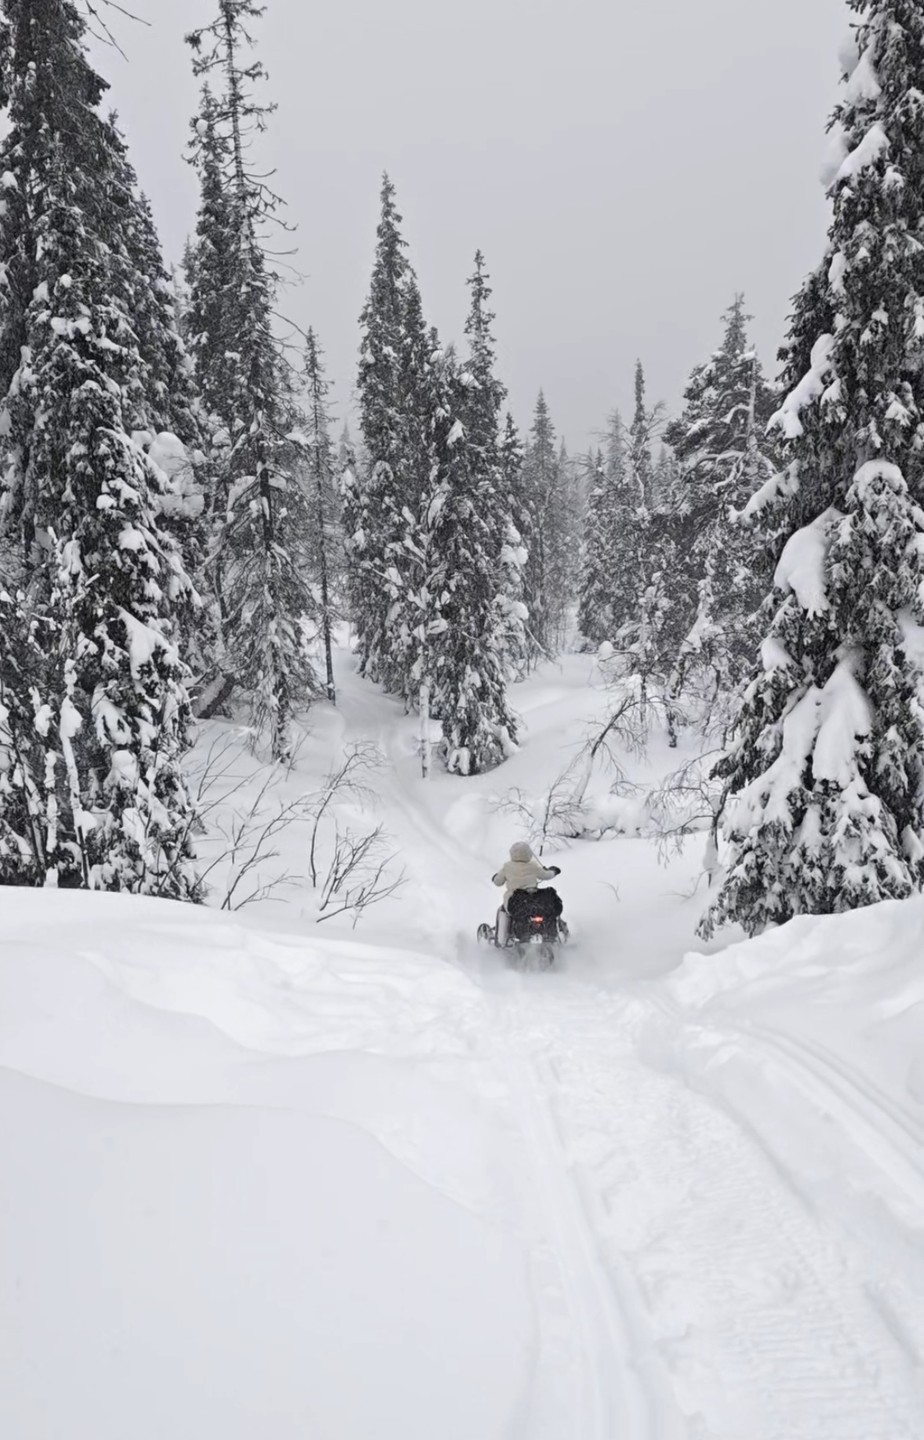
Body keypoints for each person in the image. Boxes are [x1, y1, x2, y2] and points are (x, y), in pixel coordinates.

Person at [491, 841, 559, 946]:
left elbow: (498, 882)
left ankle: (502, 939)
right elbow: (546, 875)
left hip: (514, 901)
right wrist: (553, 871)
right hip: (532, 899)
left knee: (503, 911)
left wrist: (495, 877)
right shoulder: (533, 865)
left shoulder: (507, 867)